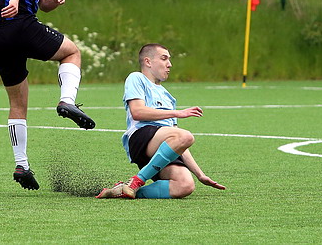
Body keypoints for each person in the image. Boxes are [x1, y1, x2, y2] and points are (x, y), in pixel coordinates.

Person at [0, 0, 96, 191]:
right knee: (72, 52)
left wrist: (54, 1)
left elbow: (44, 3)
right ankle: (67, 101)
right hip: (20, 26)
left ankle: (21, 165)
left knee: (18, 103)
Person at [96, 43, 225, 199]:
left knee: (185, 185)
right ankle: (138, 180)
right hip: (141, 137)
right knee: (185, 135)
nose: (169, 64)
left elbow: (180, 143)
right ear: (148, 62)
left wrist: (200, 175)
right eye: (164, 58)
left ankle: (124, 189)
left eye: (169, 59)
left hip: (163, 144)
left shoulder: (168, 97)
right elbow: (137, 112)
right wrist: (177, 113)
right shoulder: (137, 78)